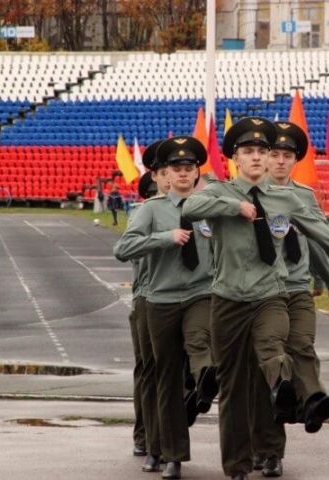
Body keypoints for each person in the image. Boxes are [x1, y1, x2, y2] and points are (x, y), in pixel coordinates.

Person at [182, 117, 329, 480]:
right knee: (233, 387)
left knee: (274, 346)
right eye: (248, 151)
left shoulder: (286, 199)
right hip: (227, 301)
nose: (256, 157)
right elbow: (189, 209)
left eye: (261, 151)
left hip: (271, 295)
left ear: (268, 159)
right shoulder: (219, 193)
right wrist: (235, 208)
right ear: (235, 158)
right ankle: (236, 466)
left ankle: (283, 387)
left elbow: (319, 231)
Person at [114, 136, 217, 480]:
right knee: (166, 379)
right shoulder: (150, 209)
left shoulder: (209, 206)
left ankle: (206, 376)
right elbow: (124, 247)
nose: (184, 173)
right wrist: (165, 238)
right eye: (177, 168)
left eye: (190, 168)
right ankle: (169, 453)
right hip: (159, 301)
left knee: (199, 339)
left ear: (197, 172)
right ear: (165, 175)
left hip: (200, 294)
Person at [250, 121, 329, 478]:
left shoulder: (304, 196)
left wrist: (326, 276)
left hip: (296, 288)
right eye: (273, 154)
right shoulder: (249, 194)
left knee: (302, 347)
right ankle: (268, 451)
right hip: (260, 294)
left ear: (294, 161)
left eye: (287, 156)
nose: (279, 161)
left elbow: (315, 239)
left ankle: (311, 405)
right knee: (269, 373)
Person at [117, 141, 170, 467]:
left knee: (170, 374)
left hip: (180, 300)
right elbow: (128, 249)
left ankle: (163, 437)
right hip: (147, 299)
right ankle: (146, 436)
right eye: (162, 177)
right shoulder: (145, 214)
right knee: (149, 371)